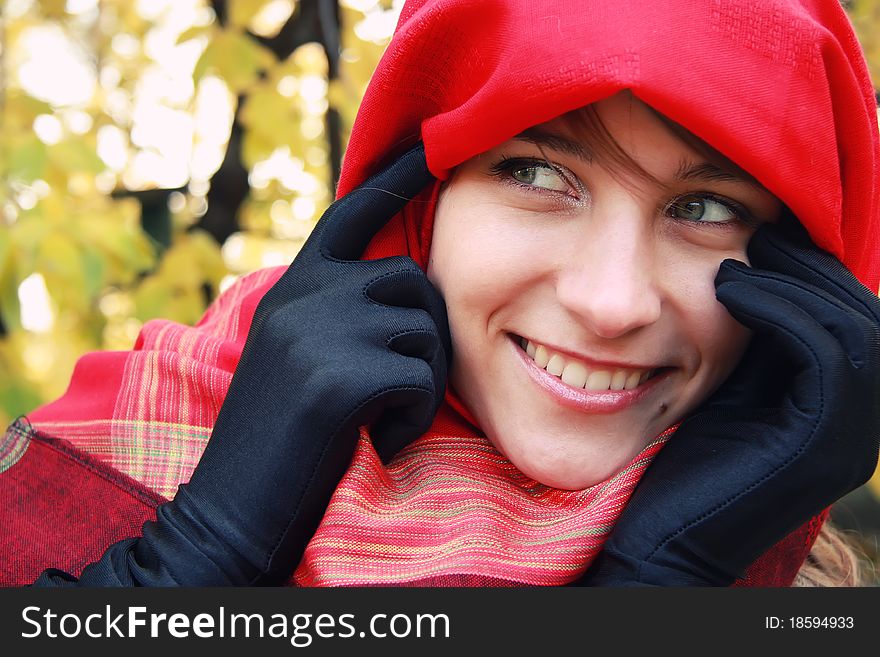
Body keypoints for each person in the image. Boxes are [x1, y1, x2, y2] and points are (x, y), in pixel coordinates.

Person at [2, 0, 878, 587]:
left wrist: (662, 585)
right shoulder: (141, 434)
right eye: (537, 172)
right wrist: (199, 552)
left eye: (706, 207)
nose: (613, 303)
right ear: (417, 201)